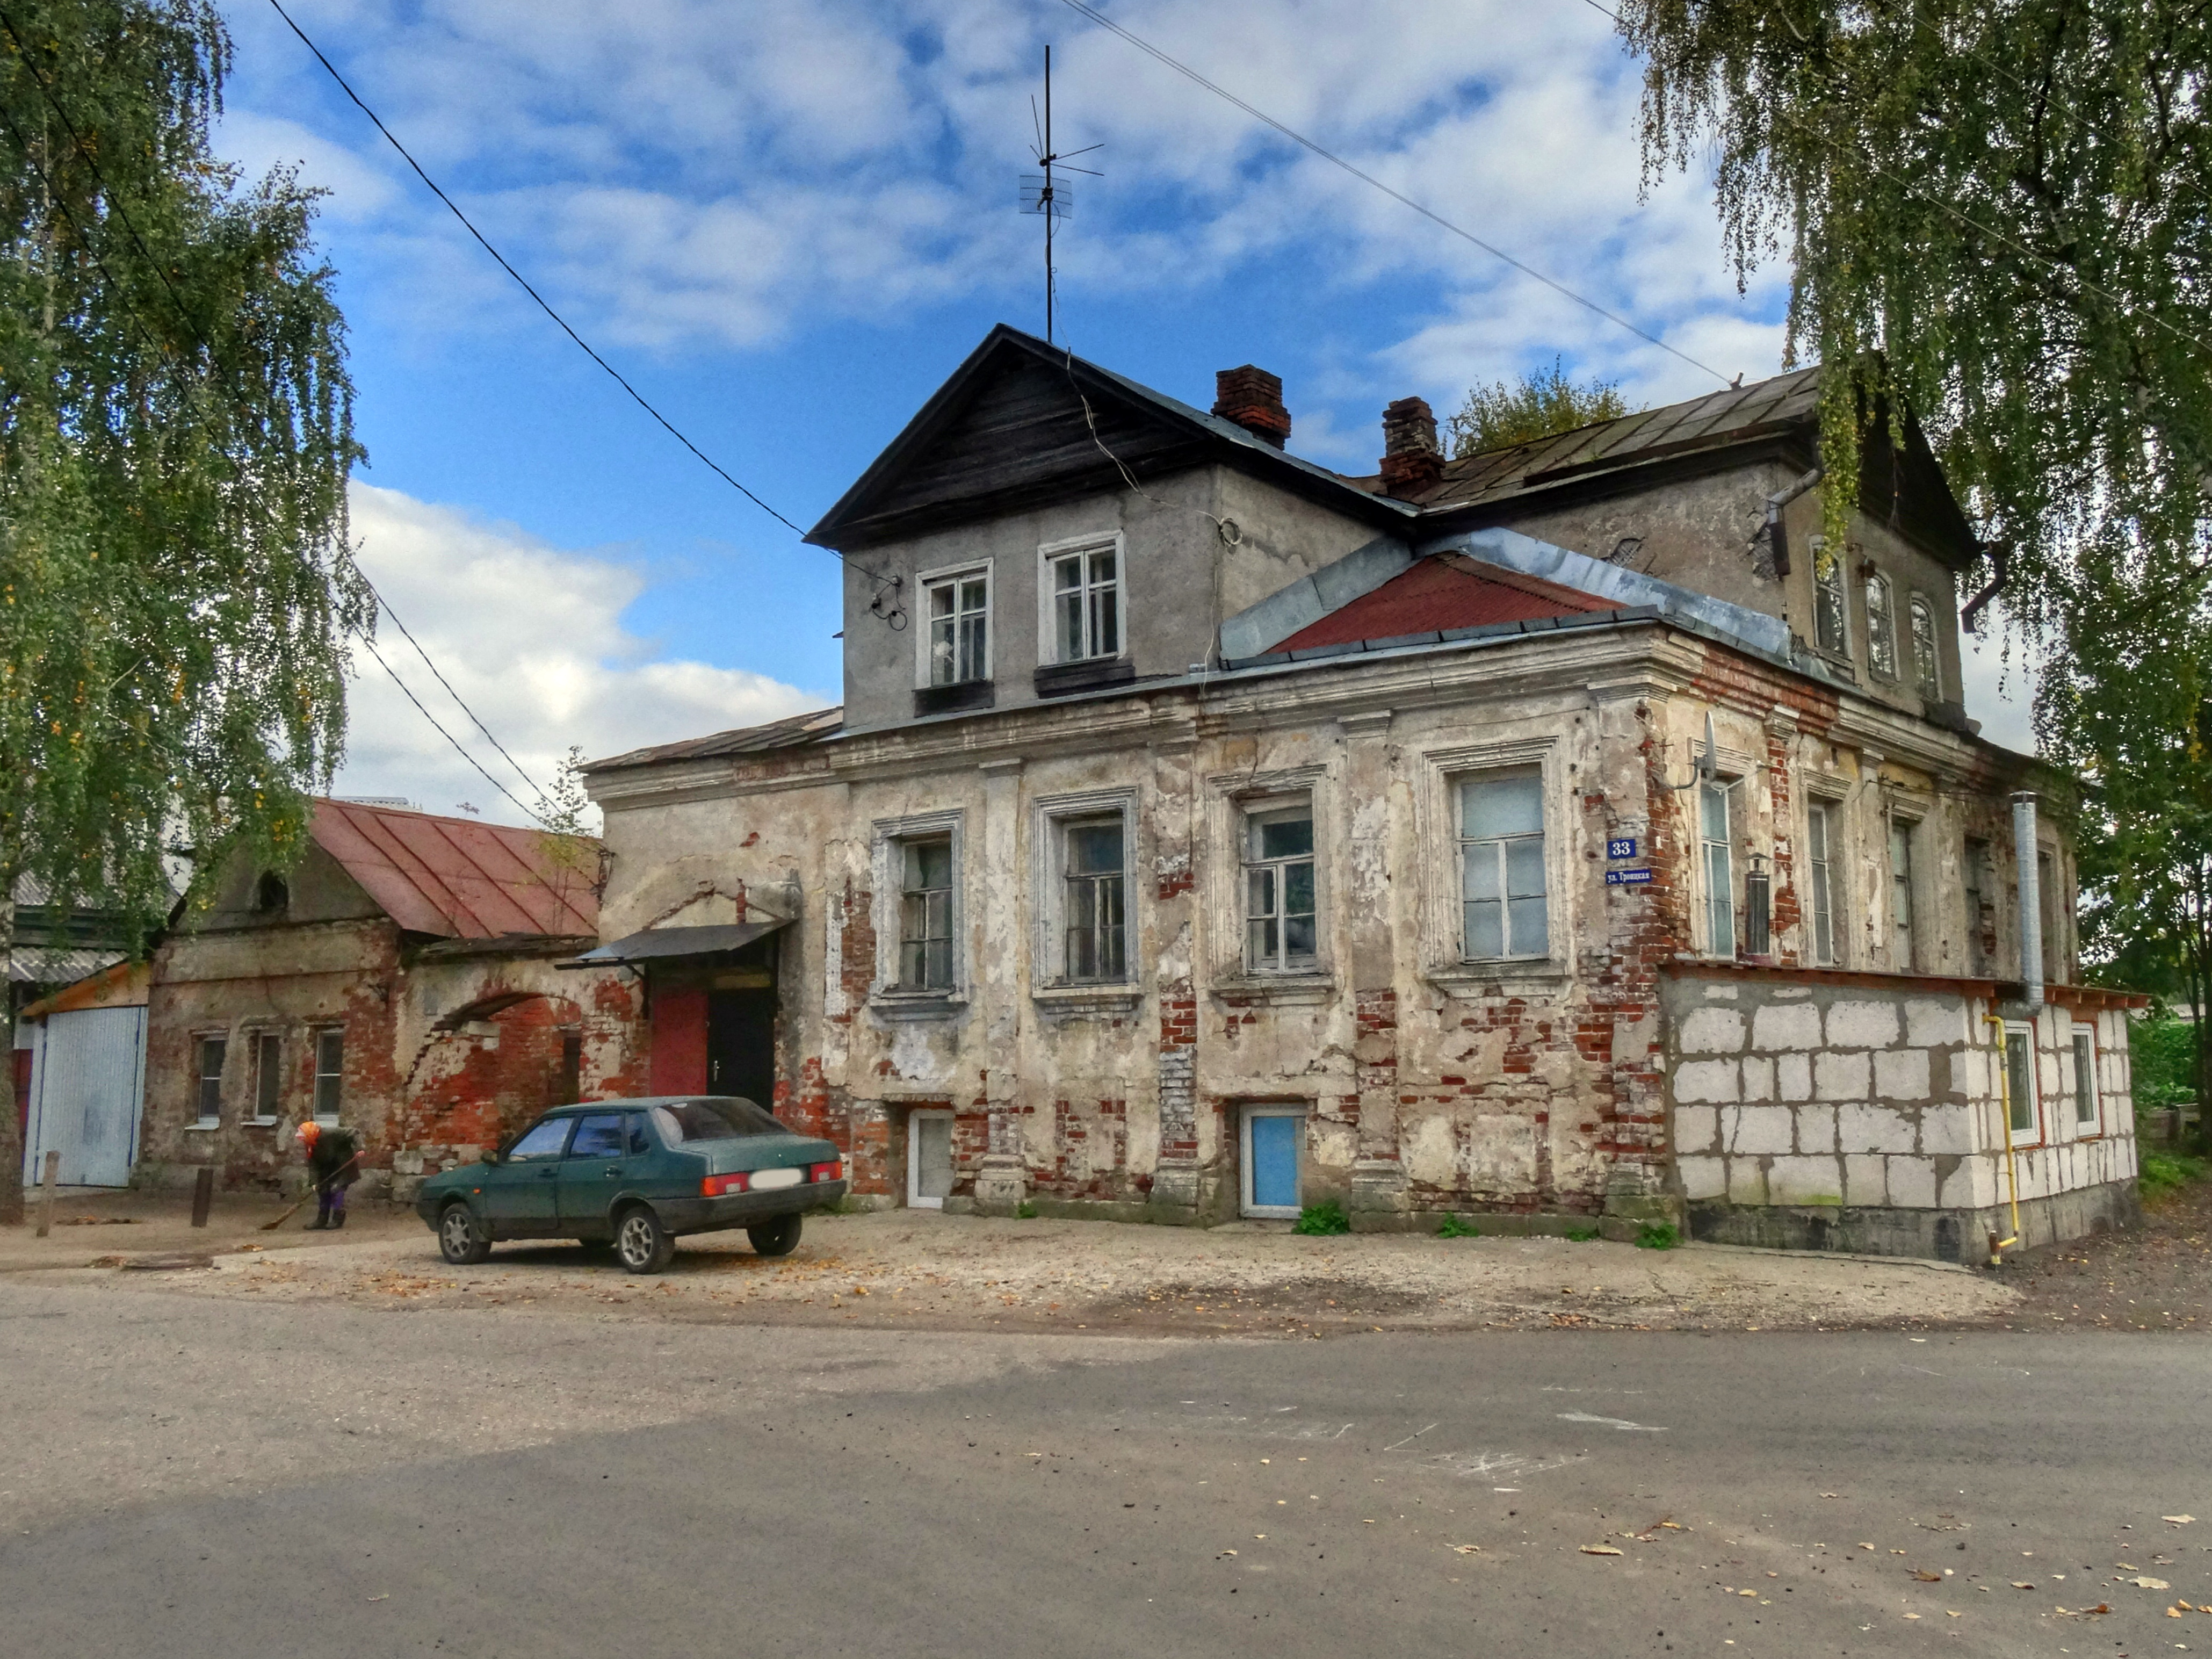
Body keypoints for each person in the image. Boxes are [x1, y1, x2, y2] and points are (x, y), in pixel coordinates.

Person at [295, 1118, 360, 1230]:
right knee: (323, 1190)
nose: (302, 1140)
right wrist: (314, 1182)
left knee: (336, 1189)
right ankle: (321, 1220)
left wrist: (359, 1148)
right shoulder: (310, 1145)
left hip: (343, 1166)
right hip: (327, 1169)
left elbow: (354, 1133)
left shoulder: (331, 1133)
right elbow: (313, 1164)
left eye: (304, 1137)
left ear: (311, 1134)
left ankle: (338, 1219)